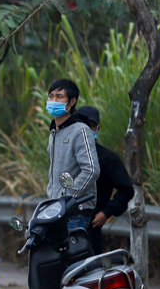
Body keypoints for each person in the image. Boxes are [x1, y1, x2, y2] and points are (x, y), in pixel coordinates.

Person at [76, 106, 134, 255]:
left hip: (90, 229)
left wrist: (106, 212)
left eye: (91, 125)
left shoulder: (108, 159)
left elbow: (126, 189)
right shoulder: (66, 156)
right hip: (64, 227)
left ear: (98, 128)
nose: (87, 129)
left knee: (88, 274)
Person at [46, 79, 99, 231]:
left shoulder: (80, 130)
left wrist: (68, 196)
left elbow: (91, 170)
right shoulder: (54, 132)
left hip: (76, 213)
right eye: (51, 96)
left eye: (59, 97)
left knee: (72, 255)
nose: (53, 100)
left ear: (72, 102)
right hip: (57, 210)